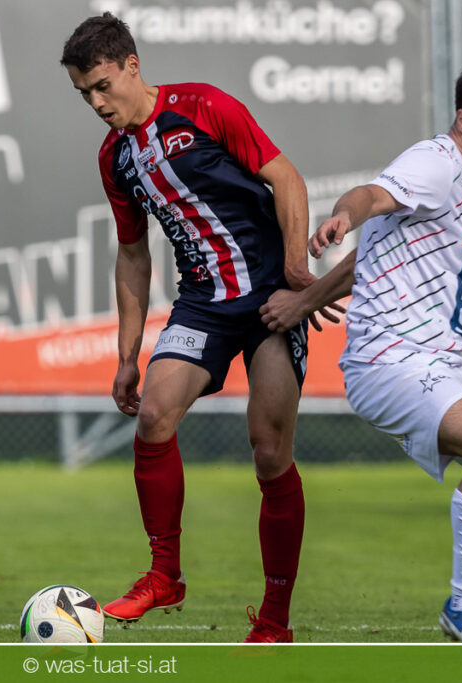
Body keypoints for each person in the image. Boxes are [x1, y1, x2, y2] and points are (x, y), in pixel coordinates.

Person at [260, 57, 462, 643]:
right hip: (390, 363)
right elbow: (371, 197)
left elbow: (375, 252)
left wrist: (304, 302)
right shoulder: (436, 163)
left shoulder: (458, 183)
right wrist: (344, 214)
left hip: (439, 364)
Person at [59, 13, 340, 643]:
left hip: (269, 300)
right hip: (203, 305)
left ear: (132, 65)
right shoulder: (116, 158)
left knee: (269, 451)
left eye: (102, 85)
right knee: (154, 415)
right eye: (84, 94)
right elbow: (133, 254)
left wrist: (297, 270)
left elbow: (286, 179)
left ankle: (274, 620)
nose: (96, 103)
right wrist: (127, 356)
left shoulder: (204, 107)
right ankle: (165, 575)